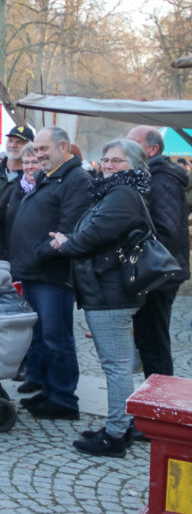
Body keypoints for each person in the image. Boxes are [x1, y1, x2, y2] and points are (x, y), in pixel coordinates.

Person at [48, 139, 152, 457]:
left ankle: (115, 435)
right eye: (105, 160)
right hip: (108, 289)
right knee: (118, 364)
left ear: (133, 165)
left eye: (117, 161)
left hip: (111, 292)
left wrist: (67, 243)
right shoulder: (115, 190)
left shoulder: (122, 194)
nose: (108, 165)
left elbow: (94, 235)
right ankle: (117, 424)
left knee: (116, 366)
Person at [9, 127, 92, 420]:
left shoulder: (76, 180)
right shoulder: (49, 177)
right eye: (37, 149)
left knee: (57, 338)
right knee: (42, 336)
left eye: (44, 149)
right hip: (34, 271)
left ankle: (64, 399)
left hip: (53, 274)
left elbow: (69, 230)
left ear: (64, 147)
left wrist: (39, 251)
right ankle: (48, 390)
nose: (39, 154)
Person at [127, 126, 190, 379]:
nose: (126, 146)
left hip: (160, 273)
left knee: (153, 342)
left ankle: (158, 406)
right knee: (147, 339)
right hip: (154, 271)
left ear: (152, 149)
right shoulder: (147, 175)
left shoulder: (161, 180)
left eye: (133, 142)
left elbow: (167, 232)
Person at [0, 125, 35, 259]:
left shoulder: (30, 180)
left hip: (12, 246)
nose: (13, 145)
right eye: (11, 141)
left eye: (19, 142)